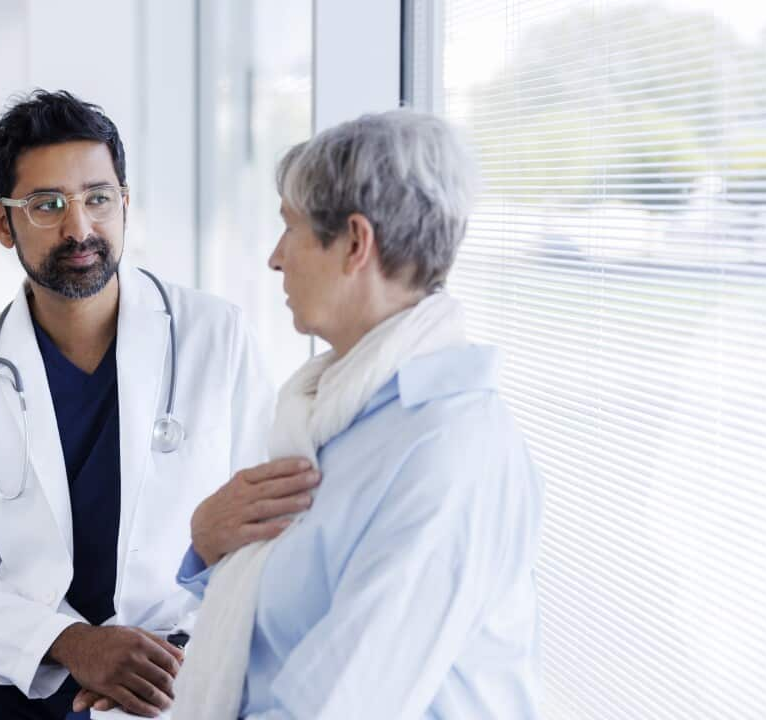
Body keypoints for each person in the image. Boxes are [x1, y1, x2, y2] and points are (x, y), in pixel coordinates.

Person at [0, 90, 315, 719]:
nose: (79, 228)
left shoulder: (216, 337)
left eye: (98, 199)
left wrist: (185, 643)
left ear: (124, 205)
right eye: (47, 205)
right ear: (1, 223)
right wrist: (75, 644)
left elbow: (267, 532)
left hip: (176, 656)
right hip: (29, 656)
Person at [172, 109, 545, 719]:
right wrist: (208, 548)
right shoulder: (336, 417)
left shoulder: (451, 454)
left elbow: (337, 704)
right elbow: (285, 629)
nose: (274, 258)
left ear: (354, 243)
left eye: (289, 228)